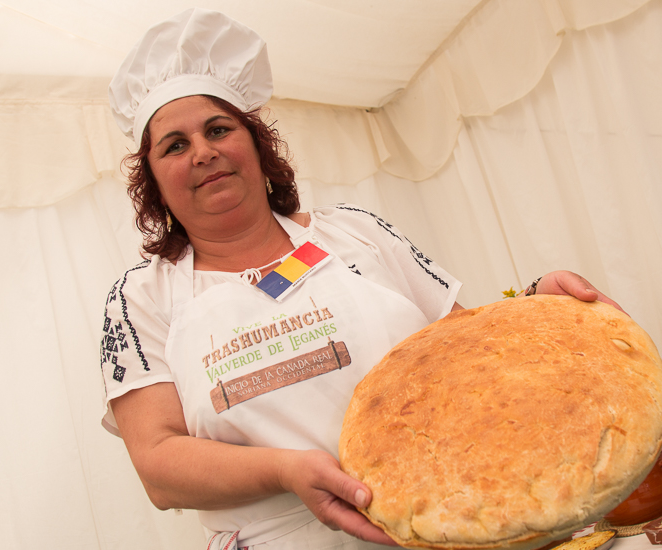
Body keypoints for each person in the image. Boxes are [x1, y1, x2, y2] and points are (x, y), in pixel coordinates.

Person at [99, 9, 622, 549]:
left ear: (255, 143)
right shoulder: (141, 299)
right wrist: (286, 470)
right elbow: (158, 466)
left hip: (446, 515)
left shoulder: (354, 232)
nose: (204, 152)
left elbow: (469, 351)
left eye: (218, 129)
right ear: (154, 182)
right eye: (175, 145)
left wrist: (536, 307)